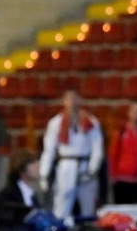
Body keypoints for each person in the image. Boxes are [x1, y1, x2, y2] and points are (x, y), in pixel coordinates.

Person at [40, 90, 104, 218]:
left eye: (75, 98)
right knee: (62, 206)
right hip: (66, 166)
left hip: (85, 166)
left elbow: (97, 148)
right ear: (63, 102)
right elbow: (49, 150)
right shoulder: (56, 123)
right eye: (69, 99)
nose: (72, 102)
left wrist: (92, 169)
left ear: (80, 100)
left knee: (88, 206)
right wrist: (44, 174)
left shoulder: (91, 122)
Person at [0, 149, 41, 231]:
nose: (38, 165)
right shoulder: (8, 196)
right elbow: (3, 227)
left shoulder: (33, 196)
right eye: (32, 163)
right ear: (21, 168)